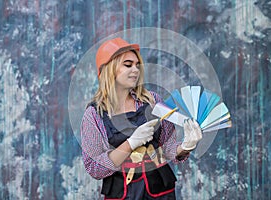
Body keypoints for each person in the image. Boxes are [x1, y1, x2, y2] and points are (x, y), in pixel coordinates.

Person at [81, 37, 203, 200]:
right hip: (123, 195)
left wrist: (186, 146)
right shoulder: (94, 114)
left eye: (137, 65)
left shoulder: (153, 101)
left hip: (161, 193)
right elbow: (95, 168)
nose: (136, 70)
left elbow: (168, 149)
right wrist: (130, 143)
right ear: (109, 69)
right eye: (128, 65)